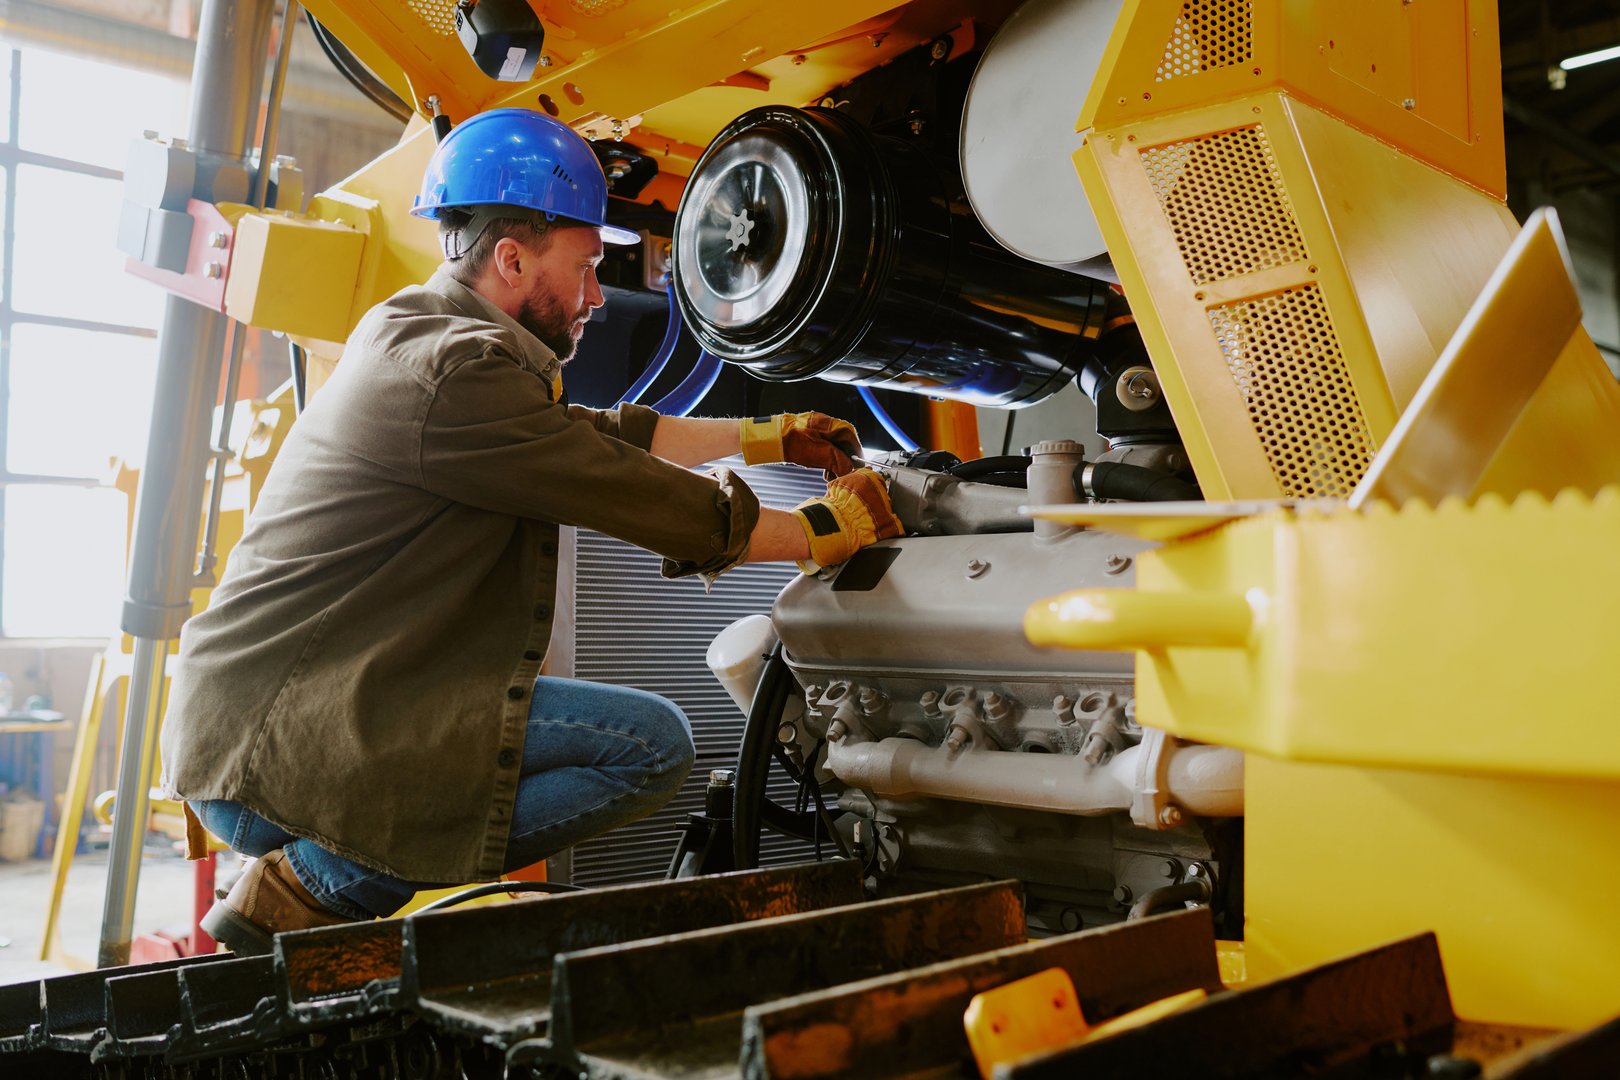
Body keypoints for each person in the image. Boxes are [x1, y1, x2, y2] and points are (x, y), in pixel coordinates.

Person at [159, 108, 902, 955]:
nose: (595, 296)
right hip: (279, 741)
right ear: (511, 259)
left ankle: (339, 874)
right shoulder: (452, 372)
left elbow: (600, 437)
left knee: (629, 742)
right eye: (586, 268)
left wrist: (763, 435)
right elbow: (617, 486)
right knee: (650, 748)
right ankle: (314, 886)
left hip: (298, 709)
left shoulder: (438, 338)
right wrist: (817, 531)